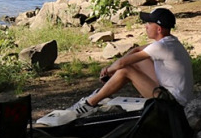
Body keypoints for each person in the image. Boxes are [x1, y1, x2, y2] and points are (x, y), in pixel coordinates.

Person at [65, 7, 193, 118]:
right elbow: (135, 50)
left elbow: (122, 65)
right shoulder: (169, 42)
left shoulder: (160, 47)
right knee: (136, 63)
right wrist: (113, 69)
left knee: (126, 70)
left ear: (159, 29)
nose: (146, 26)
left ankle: (89, 104)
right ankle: (100, 94)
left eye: (149, 23)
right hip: (171, 96)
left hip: (172, 104)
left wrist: (108, 71)